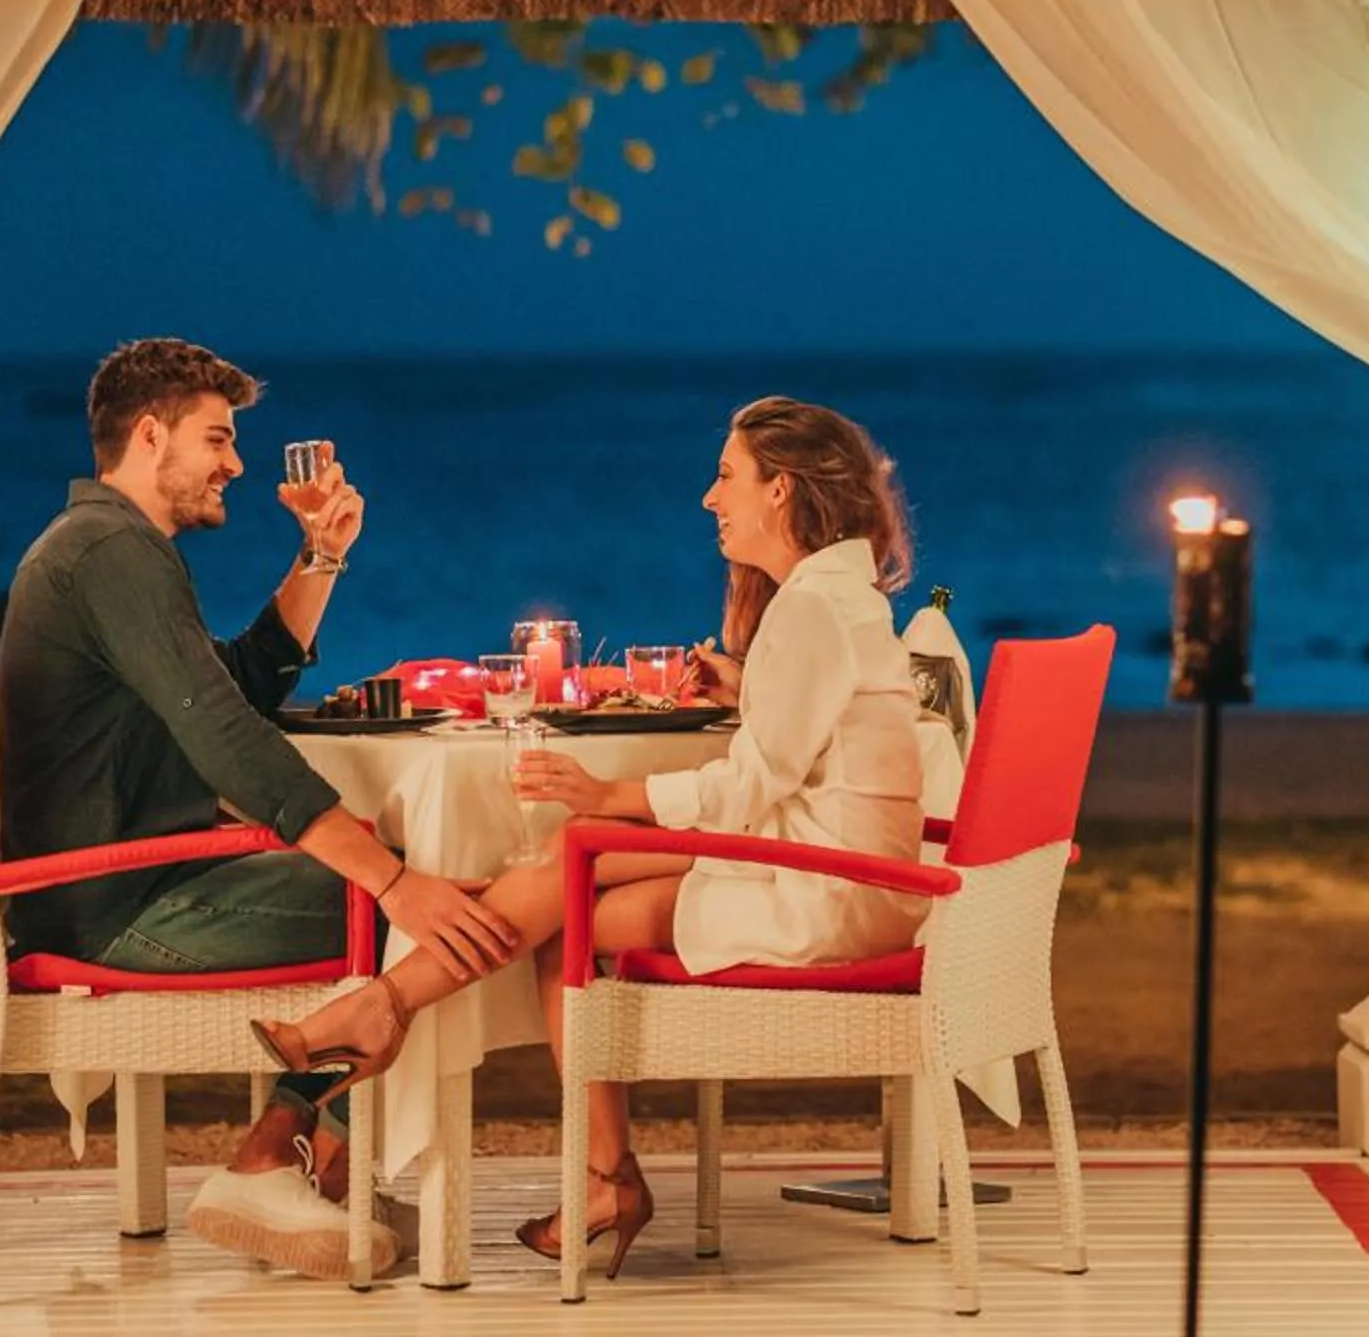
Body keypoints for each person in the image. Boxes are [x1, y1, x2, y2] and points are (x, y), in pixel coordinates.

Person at [243, 395, 928, 1278]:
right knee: (567, 883)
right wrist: (747, 688)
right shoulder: (834, 598)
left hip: (826, 888)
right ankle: (589, 1166)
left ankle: (384, 1011)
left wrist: (610, 790)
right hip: (833, 865)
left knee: (574, 855)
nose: (710, 499)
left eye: (727, 477)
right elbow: (797, 752)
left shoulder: (813, 608)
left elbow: (752, 785)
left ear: (781, 490)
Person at [0, 337, 520, 1280]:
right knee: (438, 913)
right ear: (150, 437)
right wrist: (396, 884)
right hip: (119, 910)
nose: (235, 464)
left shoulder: (108, 546)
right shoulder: (113, 551)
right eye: (218, 439)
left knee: (426, 900)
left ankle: (318, 1158)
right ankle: (280, 1155)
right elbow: (230, 741)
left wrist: (320, 555)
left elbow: (235, 687)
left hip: (120, 884)